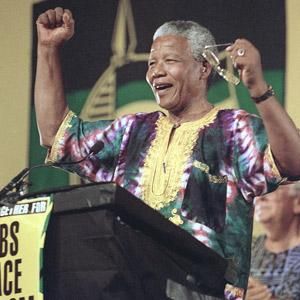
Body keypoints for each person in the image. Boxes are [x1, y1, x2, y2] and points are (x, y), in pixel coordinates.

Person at [34, 7, 300, 300]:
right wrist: (48, 48)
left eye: (169, 60)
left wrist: (259, 90)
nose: (156, 71)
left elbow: (294, 162)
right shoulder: (129, 132)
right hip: (134, 289)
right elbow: (56, 134)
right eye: (151, 63)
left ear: (204, 67)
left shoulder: (234, 130)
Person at [246, 182, 300, 300]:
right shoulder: (246, 248)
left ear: (298, 203)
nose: (260, 197)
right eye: (257, 190)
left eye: (272, 188)